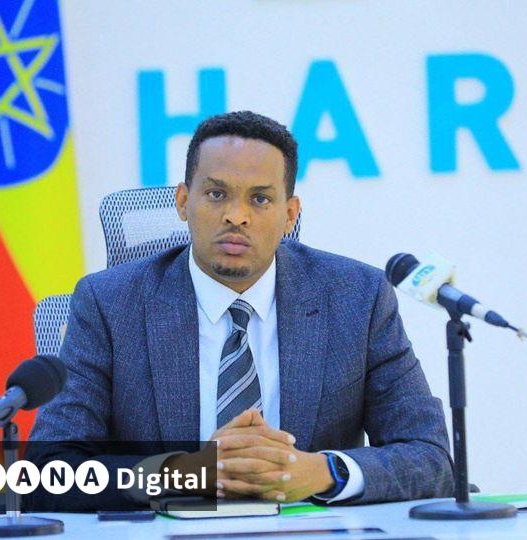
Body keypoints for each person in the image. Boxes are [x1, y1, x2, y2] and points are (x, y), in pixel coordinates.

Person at [26, 111, 453, 510]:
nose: (236, 216)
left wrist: (324, 472)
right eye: (216, 194)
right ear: (183, 201)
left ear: (290, 214)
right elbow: (49, 472)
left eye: (260, 199)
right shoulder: (109, 304)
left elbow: (431, 458)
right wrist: (186, 474)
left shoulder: (357, 298)